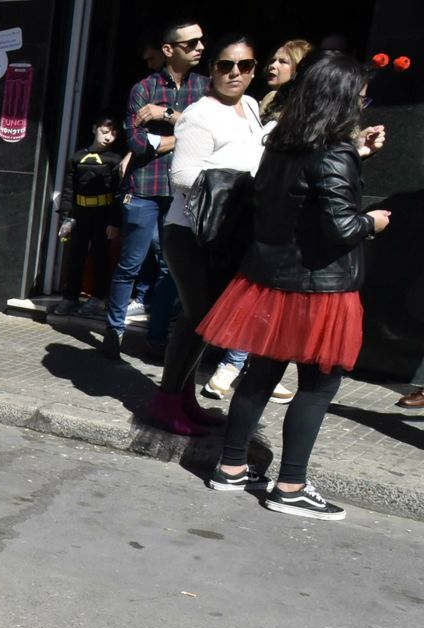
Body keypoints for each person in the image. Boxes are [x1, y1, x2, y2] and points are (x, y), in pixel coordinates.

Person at [196, 53, 388, 521]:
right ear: (342, 98)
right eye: (361, 93)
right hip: (320, 286)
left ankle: (232, 466)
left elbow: (307, 186)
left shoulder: (282, 142)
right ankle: (291, 485)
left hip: (269, 280)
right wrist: (373, 221)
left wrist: (355, 152)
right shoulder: (334, 153)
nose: (365, 100)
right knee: (319, 385)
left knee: (260, 374)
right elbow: (341, 228)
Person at [148, 36, 267, 436]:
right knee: (197, 318)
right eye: (225, 65)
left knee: (203, 319)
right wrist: (238, 186)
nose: (235, 73)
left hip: (226, 232)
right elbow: (181, 174)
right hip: (190, 232)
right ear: (212, 69)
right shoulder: (201, 115)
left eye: (245, 65)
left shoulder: (250, 107)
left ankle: (184, 398)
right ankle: (166, 402)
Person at [202, 37, 314, 403]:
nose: (272, 66)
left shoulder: (300, 109)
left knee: (268, 296)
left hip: (276, 212)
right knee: (257, 292)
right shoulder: (261, 103)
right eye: (272, 59)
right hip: (256, 210)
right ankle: (234, 365)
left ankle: (250, 365)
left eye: (283, 61)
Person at [105, 19, 209, 361]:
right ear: (169, 49)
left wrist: (168, 119)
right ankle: (114, 331)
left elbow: (213, 136)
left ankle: (157, 337)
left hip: (183, 190)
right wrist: (186, 133)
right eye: (190, 44)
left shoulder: (206, 90)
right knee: (130, 262)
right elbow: (135, 140)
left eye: (201, 42)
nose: (199, 48)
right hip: (145, 187)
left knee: (170, 266)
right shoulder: (143, 89)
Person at [53, 117, 122, 317]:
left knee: (101, 257)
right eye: (105, 131)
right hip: (81, 213)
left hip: (103, 214)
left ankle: (98, 298)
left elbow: (119, 193)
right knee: (76, 256)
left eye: (113, 133)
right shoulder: (77, 157)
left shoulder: (115, 160)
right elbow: (69, 188)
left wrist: (114, 222)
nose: (109, 137)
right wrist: (67, 216)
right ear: (94, 128)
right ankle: (70, 297)